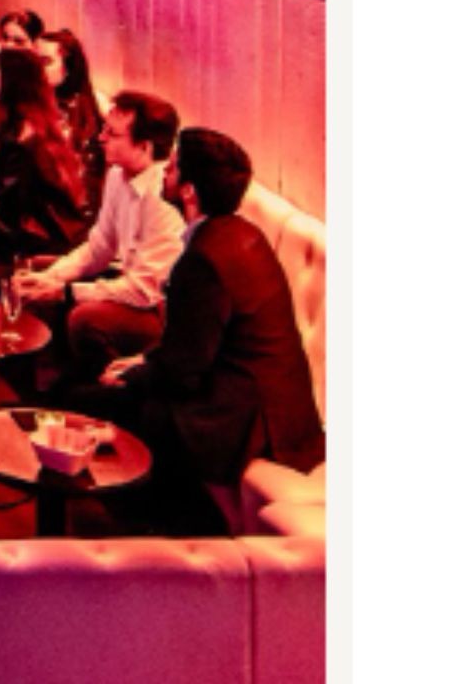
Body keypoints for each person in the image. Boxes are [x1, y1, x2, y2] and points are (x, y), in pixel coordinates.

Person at [93, 128, 324, 508]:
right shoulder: (241, 233)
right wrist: (144, 360)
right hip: (279, 408)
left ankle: (149, 524)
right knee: (117, 392)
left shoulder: (204, 259)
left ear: (189, 191)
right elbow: (193, 345)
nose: (163, 174)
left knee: (119, 402)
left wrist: (134, 375)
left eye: (171, 168)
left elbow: (186, 369)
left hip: (253, 421)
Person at [14, 91, 186, 381]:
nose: (101, 138)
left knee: (85, 318)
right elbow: (100, 246)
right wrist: (51, 278)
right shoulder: (118, 174)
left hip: (159, 310)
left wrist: (66, 291)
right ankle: (38, 382)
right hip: (129, 282)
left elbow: (144, 290)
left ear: (144, 146)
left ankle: (104, 392)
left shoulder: (163, 198)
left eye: (112, 133)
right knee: (36, 270)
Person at [0, 43, 93, 269]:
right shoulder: (33, 122)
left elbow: (6, 204)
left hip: (38, 238)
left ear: (10, 81)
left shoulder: (24, 138)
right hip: (47, 230)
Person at [38, 28, 109, 212]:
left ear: (68, 67)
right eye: (34, 61)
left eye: (45, 62)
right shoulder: (31, 103)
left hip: (73, 207)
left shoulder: (90, 108)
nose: (37, 69)